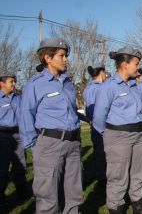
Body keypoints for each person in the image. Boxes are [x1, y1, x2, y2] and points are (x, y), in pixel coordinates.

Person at [20, 38, 83, 214]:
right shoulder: (35, 84)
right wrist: (35, 146)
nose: (66, 59)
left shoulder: (68, 83)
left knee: (74, 194)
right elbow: (26, 115)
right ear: (48, 58)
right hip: (49, 144)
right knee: (48, 197)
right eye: (62, 56)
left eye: (66, 56)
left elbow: (70, 111)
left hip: (73, 143)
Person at [93, 47, 142, 213]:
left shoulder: (134, 86)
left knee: (138, 172)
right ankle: (116, 207)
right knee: (118, 176)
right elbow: (99, 117)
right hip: (118, 135)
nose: (138, 67)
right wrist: (110, 135)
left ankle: (138, 203)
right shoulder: (108, 87)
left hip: (138, 134)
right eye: (136, 64)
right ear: (124, 64)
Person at [0, 72, 28, 208]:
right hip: (3, 136)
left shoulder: (18, 98)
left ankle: (22, 192)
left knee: (21, 165)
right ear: (2, 83)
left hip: (19, 135)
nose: (14, 84)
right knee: (2, 168)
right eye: (11, 81)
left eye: (14, 81)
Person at [82, 62, 107, 188]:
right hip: (102, 126)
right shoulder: (98, 88)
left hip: (96, 125)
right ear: (101, 72)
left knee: (100, 153)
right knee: (102, 154)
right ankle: (102, 179)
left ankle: (102, 177)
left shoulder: (88, 88)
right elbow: (96, 110)